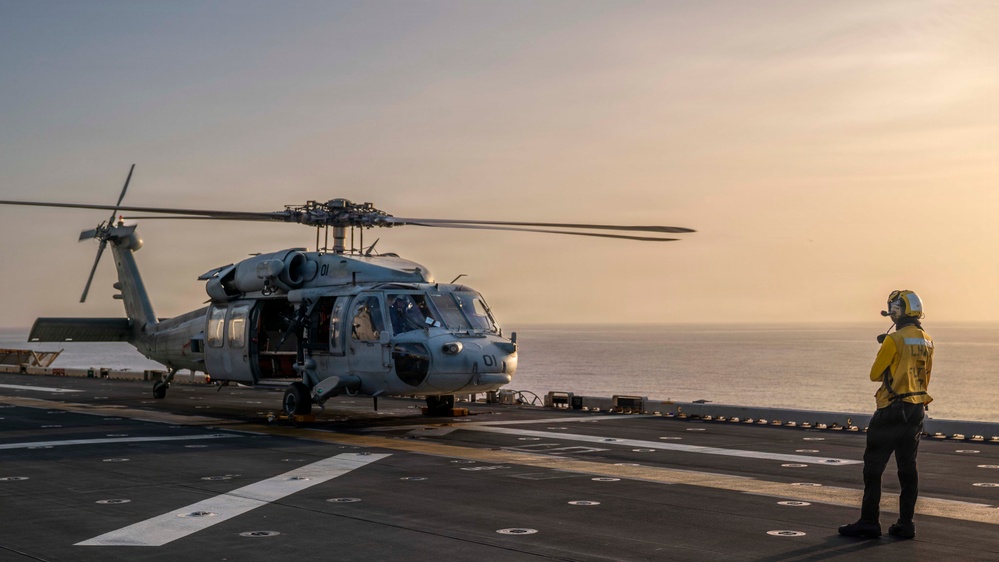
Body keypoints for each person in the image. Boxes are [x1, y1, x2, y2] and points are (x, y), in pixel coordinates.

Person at [839, 290, 933, 540]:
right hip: (916, 410)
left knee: (873, 468)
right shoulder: (927, 340)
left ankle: (869, 522)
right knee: (908, 469)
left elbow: (875, 374)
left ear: (897, 311)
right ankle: (906, 524)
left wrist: (885, 347)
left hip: (891, 410)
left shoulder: (894, 340)